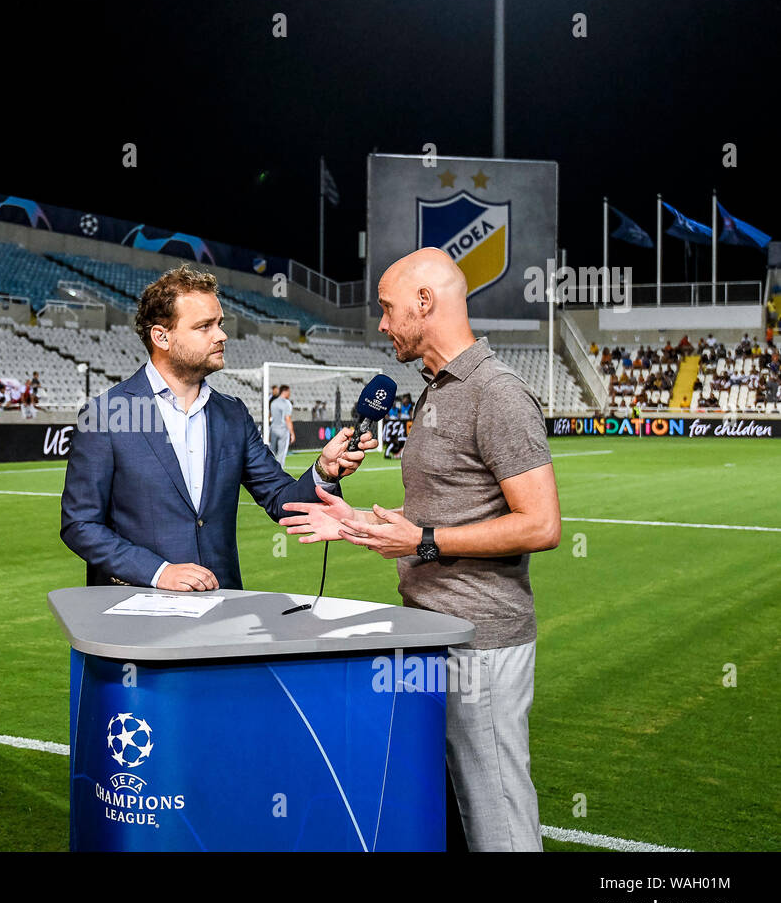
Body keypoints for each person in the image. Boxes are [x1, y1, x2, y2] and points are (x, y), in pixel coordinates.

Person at [279, 248, 560, 852]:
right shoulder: (437, 390)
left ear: (424, 303)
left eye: (387, 308)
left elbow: (540, 524)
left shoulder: (497, 393)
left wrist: (425, 541)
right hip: (433, 635)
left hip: (480, 642)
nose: (381, 324)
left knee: (498, 820)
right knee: (452, 815)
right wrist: (356, 523)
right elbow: (440, 514)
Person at [60, 263, 376, 592]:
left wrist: (323, 470)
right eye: (204, 326)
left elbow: (281, 500)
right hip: (137, 615)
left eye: (219, 323)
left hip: (221, 606)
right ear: (161, 337)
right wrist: (158, 572)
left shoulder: (233, 414)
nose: (222, 335)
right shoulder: (107, 414)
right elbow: (80, 524)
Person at [268, 384, 294, 466]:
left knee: (272, 452)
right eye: (289, 392)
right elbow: (287, 418)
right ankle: (278, 474)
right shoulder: (287, 403)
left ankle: (269, 470)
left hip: (273, 429)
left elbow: (269, 416)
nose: (289, 394)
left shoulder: (273, 402)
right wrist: (292, 433)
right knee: (281, 454)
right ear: (285, 391)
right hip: (283, 430)